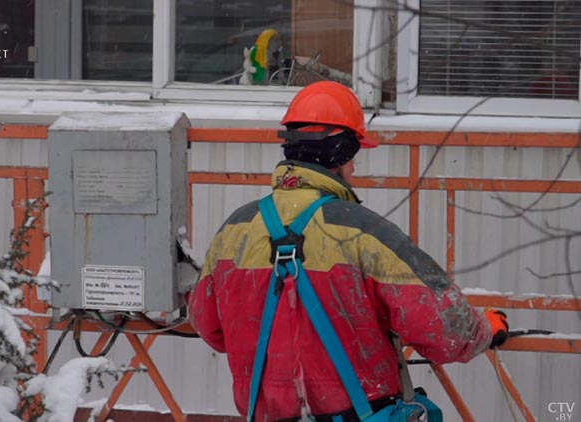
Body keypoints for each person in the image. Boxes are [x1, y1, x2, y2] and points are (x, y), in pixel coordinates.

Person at [187, 81, 509, 421]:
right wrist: (485, 329)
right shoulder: (363, 232)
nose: (354, 168)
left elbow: (207, 324)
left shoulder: (234, 231)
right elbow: (445, 328)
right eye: (353, 157)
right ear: (339, 155)